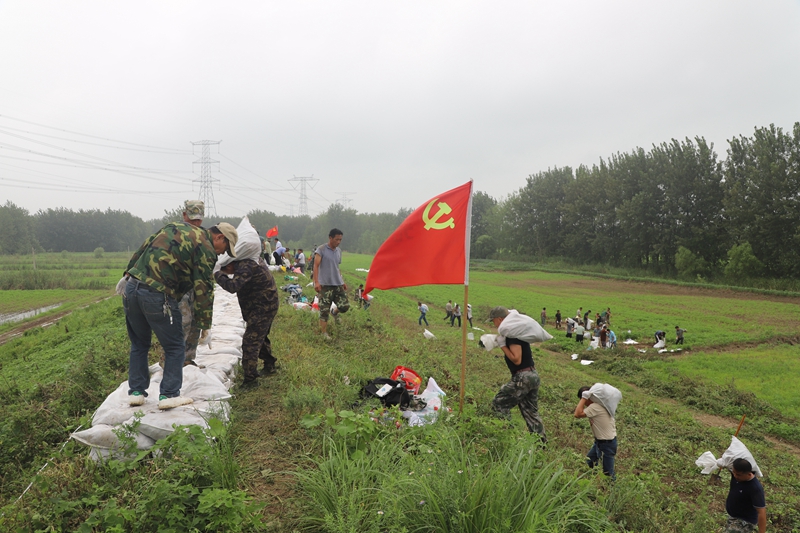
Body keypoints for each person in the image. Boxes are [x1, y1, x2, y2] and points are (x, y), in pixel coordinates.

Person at [123, 221, 237, 409]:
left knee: (139, 343)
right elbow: (204, 288)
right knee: (176, 345)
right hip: (157, 293)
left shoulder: (174, 226)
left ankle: (136, 392)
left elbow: (144, 246)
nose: (221, 253)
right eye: (224, 248)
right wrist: (204, 324)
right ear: (219, 237)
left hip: (132, 288)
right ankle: (169, 394)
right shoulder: (206, 248)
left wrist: (128, 273)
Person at [215, 254, 279, 387]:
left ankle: (250, 379)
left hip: (263, 307)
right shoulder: (246, 262)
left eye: (227, 271)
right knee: (259, 337)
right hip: (260, 305)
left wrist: (217, 274)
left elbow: (233, 286)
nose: (230, 274)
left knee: (250, 341)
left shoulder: (246, 265)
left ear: (230, 264)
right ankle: (269, 364)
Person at [489, 307, 547, 442]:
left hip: (523, 377)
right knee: (530, 412)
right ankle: (541, 445)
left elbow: (516, 359)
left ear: (499, 319)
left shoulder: (512, 333)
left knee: (499, 403)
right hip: (532, 375)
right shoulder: (515, 332)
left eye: (493, 321)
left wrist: (502, 345)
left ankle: (506, 436)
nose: (494, 324)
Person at [177, 200, 205, 367]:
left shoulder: (203, 236)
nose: (195, 223)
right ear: (184, 215)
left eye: (198, 220)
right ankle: (171, 361)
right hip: (178, 287)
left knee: (195, 322)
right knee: (181, 323)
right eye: (192, 219)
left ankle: (188, 358)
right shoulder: (174, 233)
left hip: (195, 286)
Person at [574, 386, 617, 480]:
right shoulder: (601, 404)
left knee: (608, 473)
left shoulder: (595, 407)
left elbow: (577, 414)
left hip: (606, 444)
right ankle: (594, 480)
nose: (584, 404)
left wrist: (584, 397)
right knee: (590, 461)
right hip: (601, 442)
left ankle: (613, 489)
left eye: (583, 400)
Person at [313, 228, 350, 338]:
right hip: (325, 285)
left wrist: (341, 281)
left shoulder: (338, 251)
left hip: (337, 284)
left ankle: (334, 312)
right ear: (330, 238)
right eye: (336, 239)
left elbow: (337, 267)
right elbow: (316, 266)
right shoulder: (321, 249)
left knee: (345, 306)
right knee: (324, 310)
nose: (338, 242)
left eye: (340, 240)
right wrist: (316, 282)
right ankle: (323, 333)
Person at [724, 458, 766, 533]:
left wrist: (762, 531)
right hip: (733, 517)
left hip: (745, 521)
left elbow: (761, 511)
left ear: (749, 474)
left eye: (738, 475)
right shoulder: (737, 475)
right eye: (734, 473)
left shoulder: (755, 488)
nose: (735, 476)